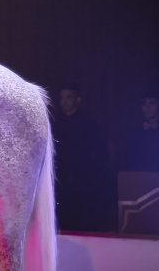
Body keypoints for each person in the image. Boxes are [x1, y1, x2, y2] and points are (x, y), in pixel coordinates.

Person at [51, 84, 114, 232]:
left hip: (83, 183)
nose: (64, 102)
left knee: (81, 221)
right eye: (62, 98)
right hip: (61, 182)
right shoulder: (55, 124)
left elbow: (99, 155)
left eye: (69, 97)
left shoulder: (89, 125)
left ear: (78, 100)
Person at [119, 92, 159, 172]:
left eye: (152, 103)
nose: (147, 107)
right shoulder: (133, 130)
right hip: (139, 175)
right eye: (144, 103)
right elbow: (128, 158)